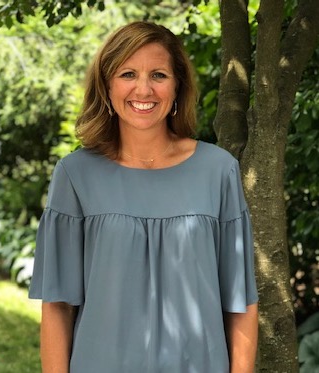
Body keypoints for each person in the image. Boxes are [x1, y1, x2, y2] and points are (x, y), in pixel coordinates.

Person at [29, 21, 258, 373]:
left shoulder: (218, 171)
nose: (144, 89)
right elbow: (58, 305)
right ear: (106, 86)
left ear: (177, 85)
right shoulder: (75, 175)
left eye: (159, 75)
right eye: (128, 74)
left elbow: (240, 302)